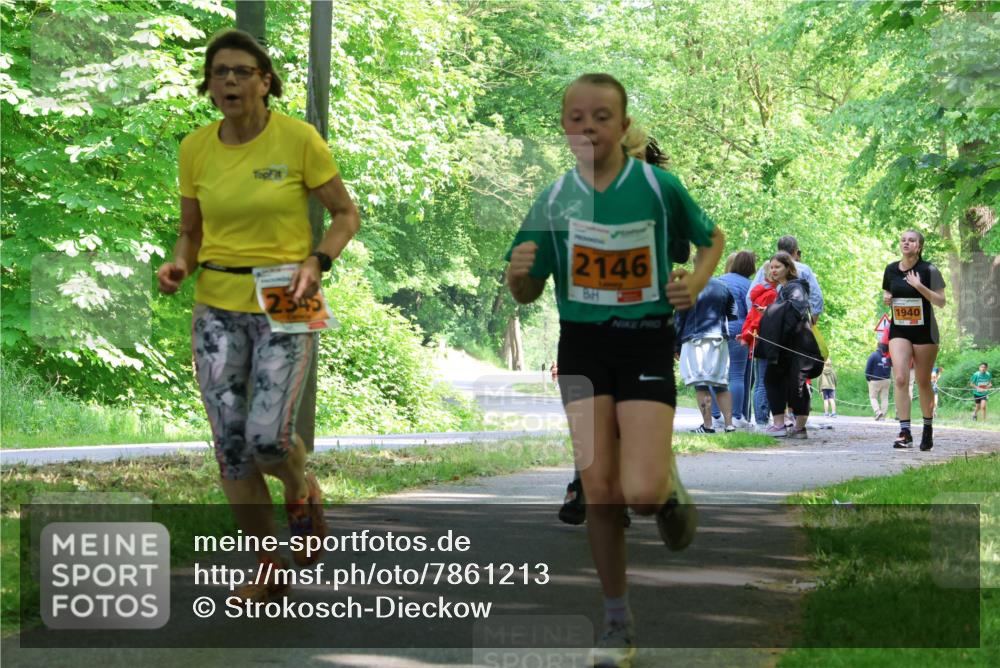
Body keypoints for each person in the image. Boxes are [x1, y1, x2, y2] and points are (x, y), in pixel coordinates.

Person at [506, 73, 724, 667]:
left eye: (602, 116)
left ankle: (665, 488)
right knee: (600, 491)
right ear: (564, 127)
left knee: (642, 494)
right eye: (577, 116)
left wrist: (695, 284)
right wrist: (517, 273)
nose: (589, 127)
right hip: (581, 347)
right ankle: (616, 622)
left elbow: (712, 237)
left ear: (623, 127)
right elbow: (527, 291)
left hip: (645, 341)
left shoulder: (658, 188)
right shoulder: (553, 200)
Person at [156, 30, 361, 602]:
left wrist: (318, 261)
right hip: (217, 301)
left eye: (242, 71)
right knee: (231, 445)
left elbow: (346, 214)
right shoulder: (195, 147)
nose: (229, 81)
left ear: (265, 81)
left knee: (269, 440)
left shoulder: (299, 140)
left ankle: (302, 485)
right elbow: (190, 233)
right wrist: (177, 265)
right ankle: (268, 566)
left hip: (287, 296)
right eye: (219, 72)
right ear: (209, 84)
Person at [882, 229, 946, 450]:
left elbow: (941, 301)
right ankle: (905, 431)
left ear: (919, 246)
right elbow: (888, 294)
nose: (906, 243)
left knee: (922, 380)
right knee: (900, 378)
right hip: (899, 329)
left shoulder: (929, 269)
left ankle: (927, 429)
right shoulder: (891, 269)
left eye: (911, 240)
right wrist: (887, 298)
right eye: (903, 240)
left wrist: (919, 286)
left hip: (925, 331)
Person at [755, 252, 822, 439]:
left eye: (778, 267)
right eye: (772, 267)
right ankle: (782, 425)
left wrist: (771, 310)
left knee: (796, 383)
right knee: (774, 379)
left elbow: (795, 310)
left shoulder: (796, 287)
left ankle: (797, 427)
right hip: (785, 345)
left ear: (788, 268)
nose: (774, 270)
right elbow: (786, 311)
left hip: (796, 345)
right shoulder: (784, 288)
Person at [675, 274, 737, 433]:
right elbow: (732, 312)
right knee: (721, 383)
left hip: (695, 338)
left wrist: (675, 345)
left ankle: (708, 426)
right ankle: (729, 425)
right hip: (718, 338)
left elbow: (679, 318)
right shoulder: (722, 286)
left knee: (701, 384)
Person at [706, 251, 755, 429]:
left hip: (715, 329)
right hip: (738, 330)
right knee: (736, 375)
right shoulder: (749, 285)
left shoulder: (718, 280)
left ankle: (716, 414)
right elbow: (751, 311)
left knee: (714, 373)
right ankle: (735, 416)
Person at [747, 235, 823, 323]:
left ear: (778, 251)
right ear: (795, 251)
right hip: (793, 324)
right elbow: (817, 297)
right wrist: (811, 323)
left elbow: (750, 296)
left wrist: (754, 321)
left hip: (769, 322)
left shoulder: (767, 267)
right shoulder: (804, 270)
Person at [739, 263, 778, 430]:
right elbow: (757, 320)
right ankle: (762, 421)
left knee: (761, 380)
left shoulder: (759, 293)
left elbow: (750, 318)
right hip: (764, 340)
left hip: (757, 340)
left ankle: (763, 419)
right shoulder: (770, 294)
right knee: (763, 381)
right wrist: (747, 336)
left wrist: (746, 335)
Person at [865, 343, 893, 420]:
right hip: (887, 380)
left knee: (873, 397)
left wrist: (868, 379)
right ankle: (883, 415)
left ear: (878, 347)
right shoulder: (889, 356)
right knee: (884, 398)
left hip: (875, 380)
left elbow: (867, 369)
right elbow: (892, 366)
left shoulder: (873, 355)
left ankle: (878, 412)